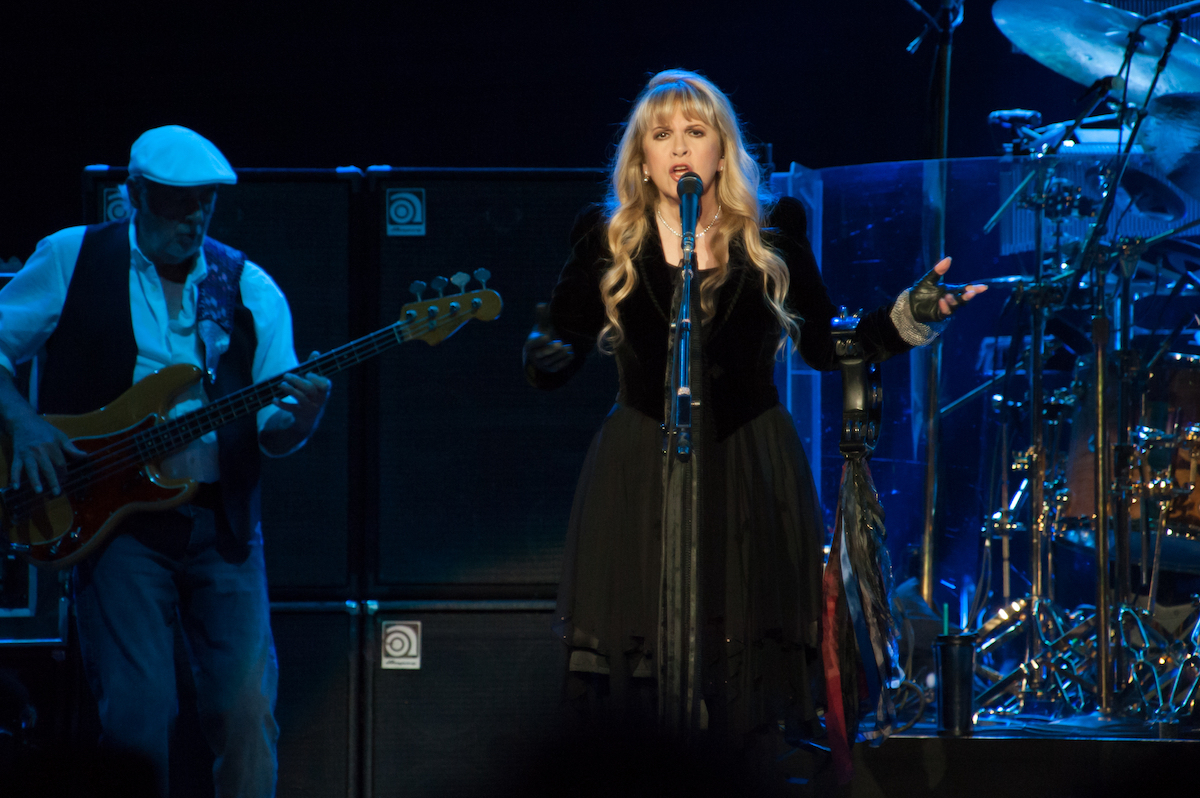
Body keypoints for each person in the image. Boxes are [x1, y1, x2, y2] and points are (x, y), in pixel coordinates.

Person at [523, 70, 984, 762]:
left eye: (695, 131)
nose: (680, 147)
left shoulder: (773, 234)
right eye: (662, 134)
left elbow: (827, 346)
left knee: (740, 667)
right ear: (642, 159)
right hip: (642, 465)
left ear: (722, 151)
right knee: (645, 665)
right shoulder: (608, 237)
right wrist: (545, 351)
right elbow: (560, 342)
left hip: (749, 465)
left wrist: (908, 317)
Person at [0, 125, 331, 797]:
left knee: (246, 713)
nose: (194, 218)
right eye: (178, 201)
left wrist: (301, 417)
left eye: (205, 202)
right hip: (113, 521)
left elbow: (272, 434)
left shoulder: (249, 287)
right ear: (135, 194)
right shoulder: (71, 256)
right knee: (138, 715)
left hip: (222, 524)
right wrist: (26, 425)